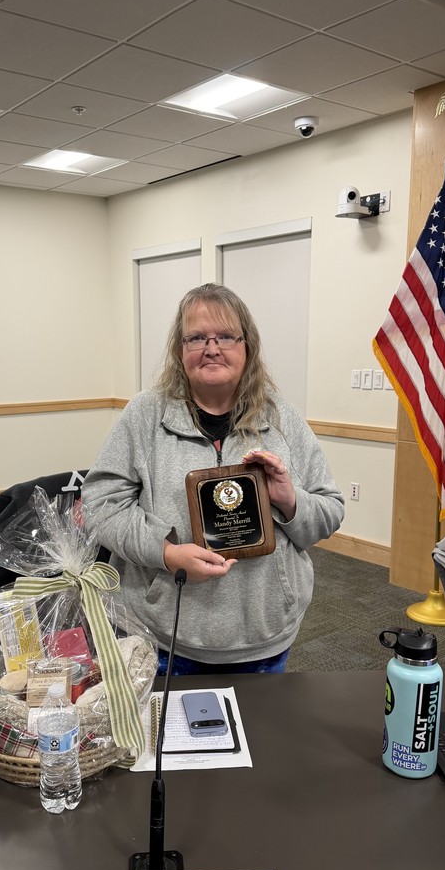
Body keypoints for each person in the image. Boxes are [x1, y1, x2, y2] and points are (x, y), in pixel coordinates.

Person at [82, 283, 344, 674]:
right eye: (196, 337)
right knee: (162, 735)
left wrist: (291, 501)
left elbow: (330, 509)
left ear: (247, 346)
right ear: (179, 350)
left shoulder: (282, 419)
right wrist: (166, 554)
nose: (211, 347)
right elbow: (101, 505)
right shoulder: (145, 415)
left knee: (257, 734)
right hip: (163, 636)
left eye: (225, 336)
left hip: (262, 637)